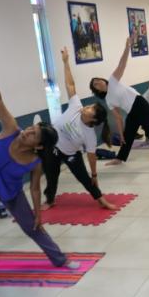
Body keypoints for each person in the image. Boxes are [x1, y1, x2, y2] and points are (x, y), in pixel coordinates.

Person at [0, 45, 78, 274]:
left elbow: (35, 189)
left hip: (11, 193)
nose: (27, 132)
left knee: (32, 227)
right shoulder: (10, 129)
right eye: (31, 128)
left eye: (33, 134)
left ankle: (60, 259)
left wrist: (38, 213)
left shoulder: (35, 162)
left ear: (39, 145)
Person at [42, 47, 117, 211]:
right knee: (50, 174)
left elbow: (91, 157)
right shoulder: (76, 106)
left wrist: (94, 175)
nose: (87, 106)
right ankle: (49, 200)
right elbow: (70, 84)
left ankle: (101, 200)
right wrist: (66, 62)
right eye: (89, 105)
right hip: (52, 147)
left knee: (84, 178)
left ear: (93, 119)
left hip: (70, 154)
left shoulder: (89, 135)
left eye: (90, 108)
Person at [89, 36, 149, 167]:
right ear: (97, 90)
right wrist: (121, 134)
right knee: (128, 135)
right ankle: (120, 158)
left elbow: (122, 63)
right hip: (131, 112)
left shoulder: (113, 80)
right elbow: (118, 118)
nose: (98, 83)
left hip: (140, 104)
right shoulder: (108, 100)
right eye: (95, 85)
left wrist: (127, 47)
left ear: (103, 80)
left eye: (98, 80)